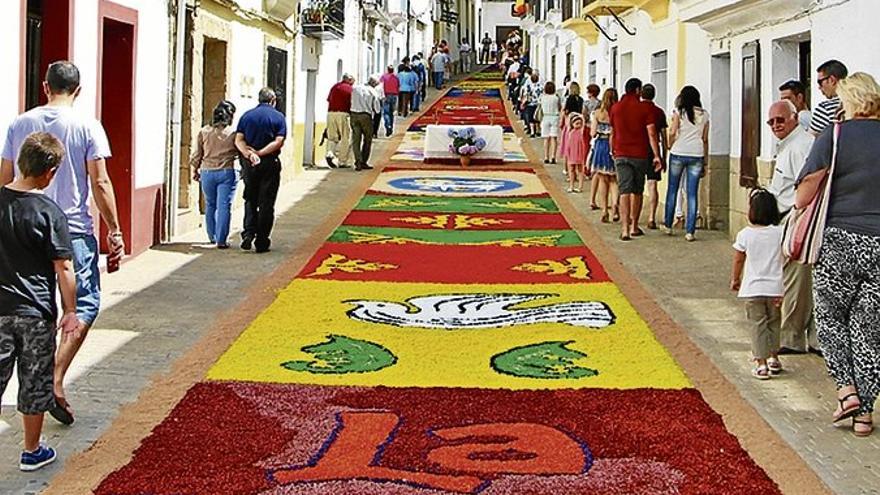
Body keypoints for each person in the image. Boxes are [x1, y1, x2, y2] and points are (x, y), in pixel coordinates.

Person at [1, 61, 123, 426]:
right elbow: (100, 183)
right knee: (84, 302)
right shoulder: (88, 126)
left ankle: (37, 377)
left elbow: (5, 175)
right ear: (79, 90)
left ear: (45, 86)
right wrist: (113, 229)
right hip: (72, 228)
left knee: (31, 300)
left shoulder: (20, 123)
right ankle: (53, 376)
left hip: (22, 223)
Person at [795, 72, 880, 437]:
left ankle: (846, 391)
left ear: (849, 100)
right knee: (869, 328)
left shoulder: (836, 135)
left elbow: (803, 195)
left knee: (831, 318)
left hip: (840, 239)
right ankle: (865, 414)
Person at [0, 132, 79, 471]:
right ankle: (32, 451)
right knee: (34, 381)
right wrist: (71, 310)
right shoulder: (49, 212)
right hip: (35, 313)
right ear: (49, 171)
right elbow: (63, 266)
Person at [765, 100, 816, 355]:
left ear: (794, 118)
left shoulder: (801, 146)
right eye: (771, 121)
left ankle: (791, 337)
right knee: (792, 280)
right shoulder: (788, 145)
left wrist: (800, 224)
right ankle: (797, 337)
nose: (775, 125)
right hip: (784, 217)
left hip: (797, 218)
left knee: (796, 280)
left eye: (780, 120)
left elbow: (807, 189)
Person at [730, 188, 785, 380]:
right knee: (774, 322)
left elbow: (738, 259)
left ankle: (761, 364)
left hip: (753, 288)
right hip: (776, 287)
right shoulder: (780, 233)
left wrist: (735, 279)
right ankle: (774, 357)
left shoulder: (745, 234)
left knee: (757, 325)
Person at [234, 87, 287, 253]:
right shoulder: (279, 117)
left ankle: (248, 233)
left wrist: (249, 154)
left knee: (250, 198)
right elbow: (278, 141)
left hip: (250, 165)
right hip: (269, 162)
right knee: (266, 202)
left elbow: (238, 139)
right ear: (273, 101)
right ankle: (262, 240)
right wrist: (261, 153)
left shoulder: (246, 116)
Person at [610, 78, 663, 241]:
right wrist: (656, 155)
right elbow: (652, 133)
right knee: (637, 190)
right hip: (639, 154)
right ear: (638, 90)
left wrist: (612, 149)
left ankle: (624, 229)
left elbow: (613, 131)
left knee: (624, 190)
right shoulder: (643, 109)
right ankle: (634, 226)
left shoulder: (616, 108)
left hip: (621, 152)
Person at [663, 85, 709, 241]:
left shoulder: (679, 113)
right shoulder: (705, 115)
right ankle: (690, 231)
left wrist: (669, 144)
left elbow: (672, 131)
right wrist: (705, 161)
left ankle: (668, 225)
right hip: (696, 154)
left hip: (678, 153)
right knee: (692, 193)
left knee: (672, 189)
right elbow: (705, 139)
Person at [190, 100, 239, 249]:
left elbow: (197, 154)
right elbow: (240, 150)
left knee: (210, 204)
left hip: (207, 172)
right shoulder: (233, 133)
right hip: (227, 171)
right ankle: (222, 240)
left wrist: (195, 169)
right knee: (224, 206)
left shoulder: (204, 132)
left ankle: (212, 236)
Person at [641, 83, 668, 230]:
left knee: (636, 186)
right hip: (653, 151)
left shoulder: (636, 110)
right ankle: (651, 217)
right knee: (652, 185)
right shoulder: (659, 112)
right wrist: (664, 156)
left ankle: (634, 217)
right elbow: (663, 137)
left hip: (637, 149)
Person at [590, 88, 619, 223]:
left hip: (601, 145)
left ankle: (604, 210)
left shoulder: (598, 113)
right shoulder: (618, 113)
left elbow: (592, 133)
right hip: (614, 145)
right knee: (614, 180)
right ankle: (615, 207)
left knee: (602, 179)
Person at [350, 77, 382, 171]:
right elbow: (377, 109)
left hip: (354, 114)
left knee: (356, 140)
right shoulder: (373, 92)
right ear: (374, 84)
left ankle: (357, 161)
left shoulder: (356, 88)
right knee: (367, 139)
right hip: (365, 116)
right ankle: (364, 161)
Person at [810, 59, 848, 136]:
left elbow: (812, 141)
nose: (819, 87)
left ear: (832, 80)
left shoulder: (825, 109)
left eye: (820, 82)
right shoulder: (862, 105)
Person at [325, 74, 355, 168]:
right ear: (349, 80)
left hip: (330, 113)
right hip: (343, 114)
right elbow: (352, 103)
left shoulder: (335, 87)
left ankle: (330, 153)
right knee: (345, 138)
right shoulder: (350, 89)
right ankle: (342, 161)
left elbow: (329, 99)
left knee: (332, 137)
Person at [563, 112, 589, 193]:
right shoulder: (570, 132)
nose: (579, 125)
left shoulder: (581, 132)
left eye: (580, 124)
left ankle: (580, 186)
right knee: (571, 170)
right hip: (572, 154)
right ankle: (571, 185)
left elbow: (583, 122)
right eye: (577, 123)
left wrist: (581, 116)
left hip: (579, 153)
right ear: (572, 124)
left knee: (580, 170)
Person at [538, 81, 562, 164]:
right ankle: (553, 157)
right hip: (554, 117)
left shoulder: (542, 97)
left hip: (546, 116)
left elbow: (540, 106)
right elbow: (559, 107)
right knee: (553, 138)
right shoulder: (556, 97)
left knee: (546, 138)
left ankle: (546, 156)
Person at [520, 72, 542, 138]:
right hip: (538, 104)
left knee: (531, 118)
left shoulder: (529, 87)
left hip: (530, 104)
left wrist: (523, 103)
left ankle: (532, 132)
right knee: (537, 117)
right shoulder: (540, 87)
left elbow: (526, 96)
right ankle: (538, 131)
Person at [379, 66, 399, 137]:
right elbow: (398, 86)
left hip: (386, 95)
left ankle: (388, 126)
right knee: (391, 112)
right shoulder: (396, 77)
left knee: (386, 112)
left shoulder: (384, 77)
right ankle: (391, 126)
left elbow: (380, 85)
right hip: (394, 95)